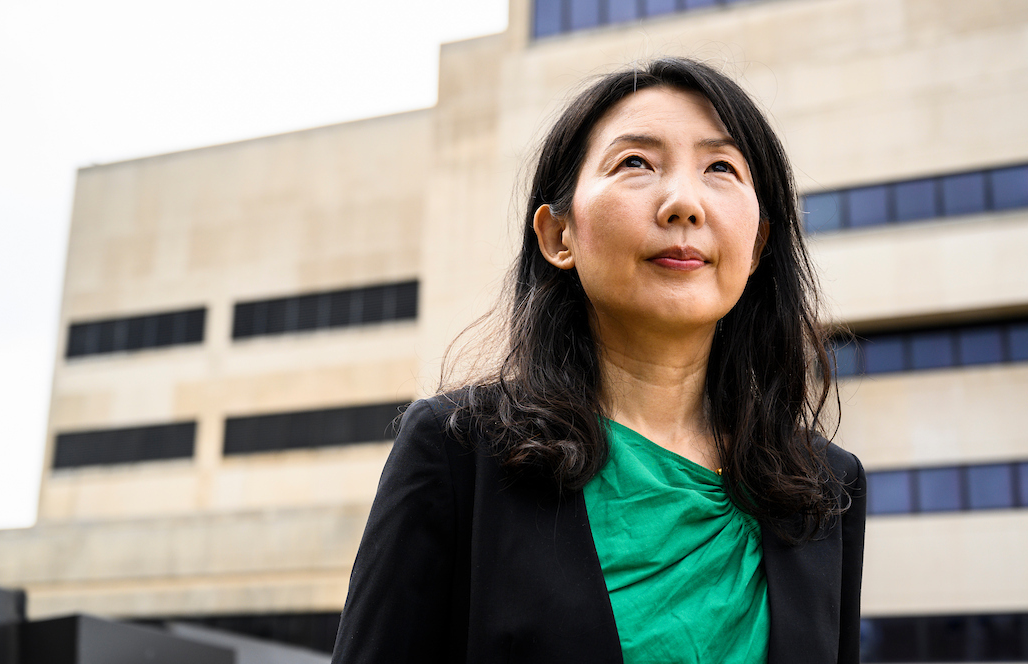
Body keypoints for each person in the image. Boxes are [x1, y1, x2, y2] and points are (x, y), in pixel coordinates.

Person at [331, 58, 866, 664]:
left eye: (721, 167)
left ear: (757, 247)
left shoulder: (824, 486)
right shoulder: (458, 454)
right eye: (635, 163)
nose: (683, 204)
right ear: (559, 235)